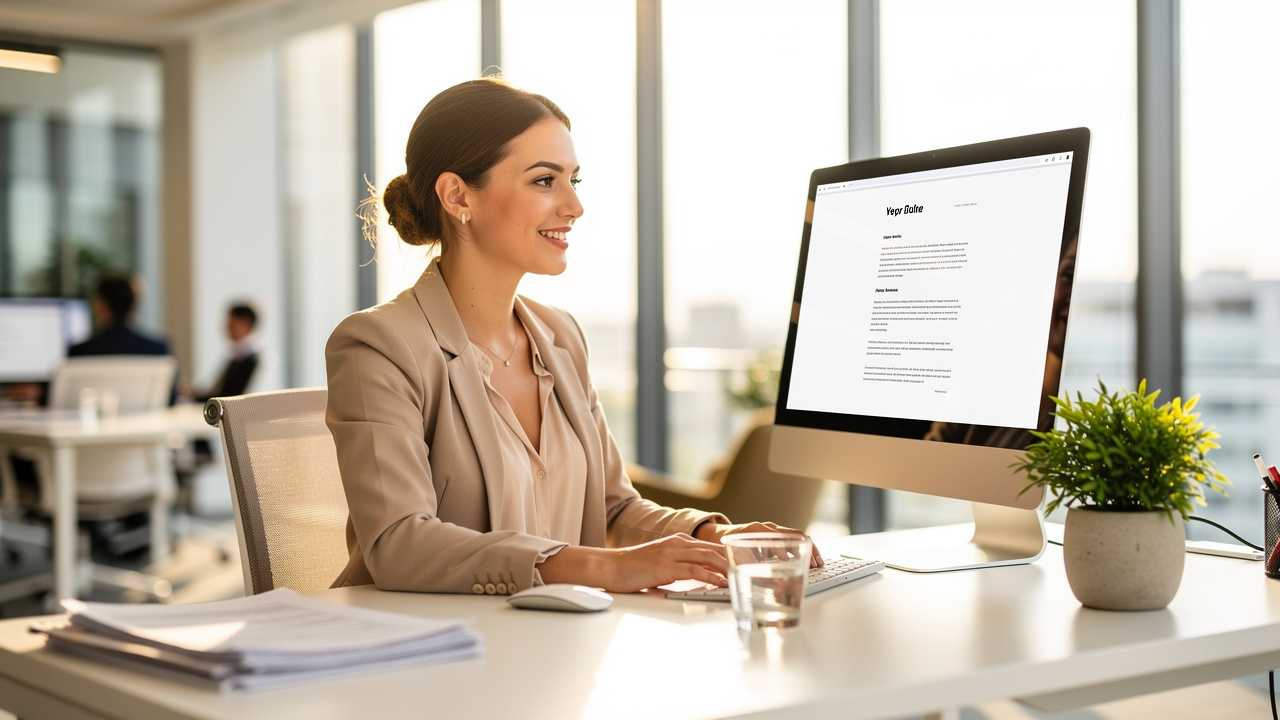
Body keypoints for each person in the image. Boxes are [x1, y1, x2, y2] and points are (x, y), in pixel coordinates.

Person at [325, 77, 817, 596]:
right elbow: (399, 544)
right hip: (421, 652)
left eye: (573, 181)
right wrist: (606, 569)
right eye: (544, 181)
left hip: (549, 645)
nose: (573, 206)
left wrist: (715, 538)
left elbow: (612, 506)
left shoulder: (559, 336)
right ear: (457, 195)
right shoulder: (378, 346)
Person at [194, 303, 260, 402]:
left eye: (231, 321)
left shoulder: (248, 358)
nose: (227, 327)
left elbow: (228, 396)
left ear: (245, 323)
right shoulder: (240, 355)